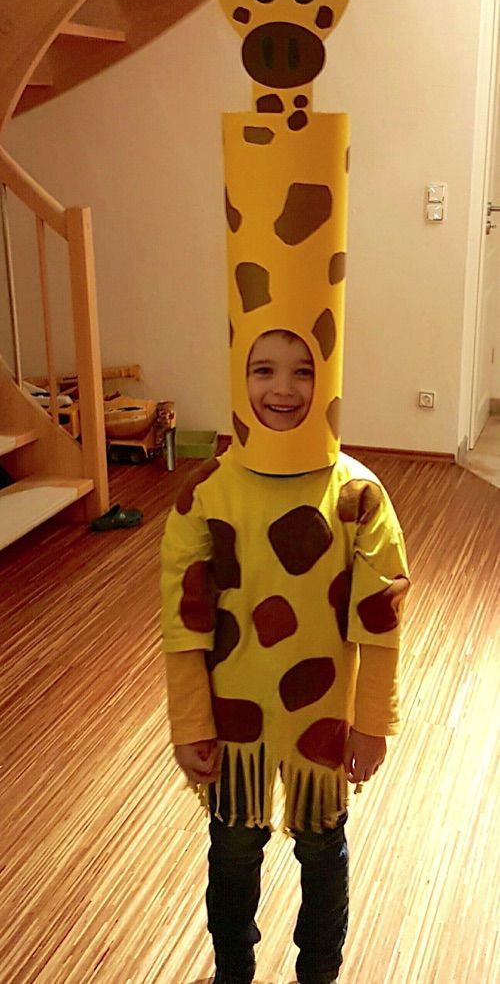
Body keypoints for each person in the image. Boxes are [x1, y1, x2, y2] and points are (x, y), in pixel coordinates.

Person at [160, 330, 409, 984]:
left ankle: (318, 973)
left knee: (323, 849)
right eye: (264, 369)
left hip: (322, 716)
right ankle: (232, 972)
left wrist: (372, 721)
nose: (283, 388)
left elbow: (380, 621)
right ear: (239, 375)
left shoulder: (360, 495)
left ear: (328, 378)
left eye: (304, 371)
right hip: (234, 715)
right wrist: (190, 721)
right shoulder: (206, 492)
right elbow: (184, 622)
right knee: (235, 850)